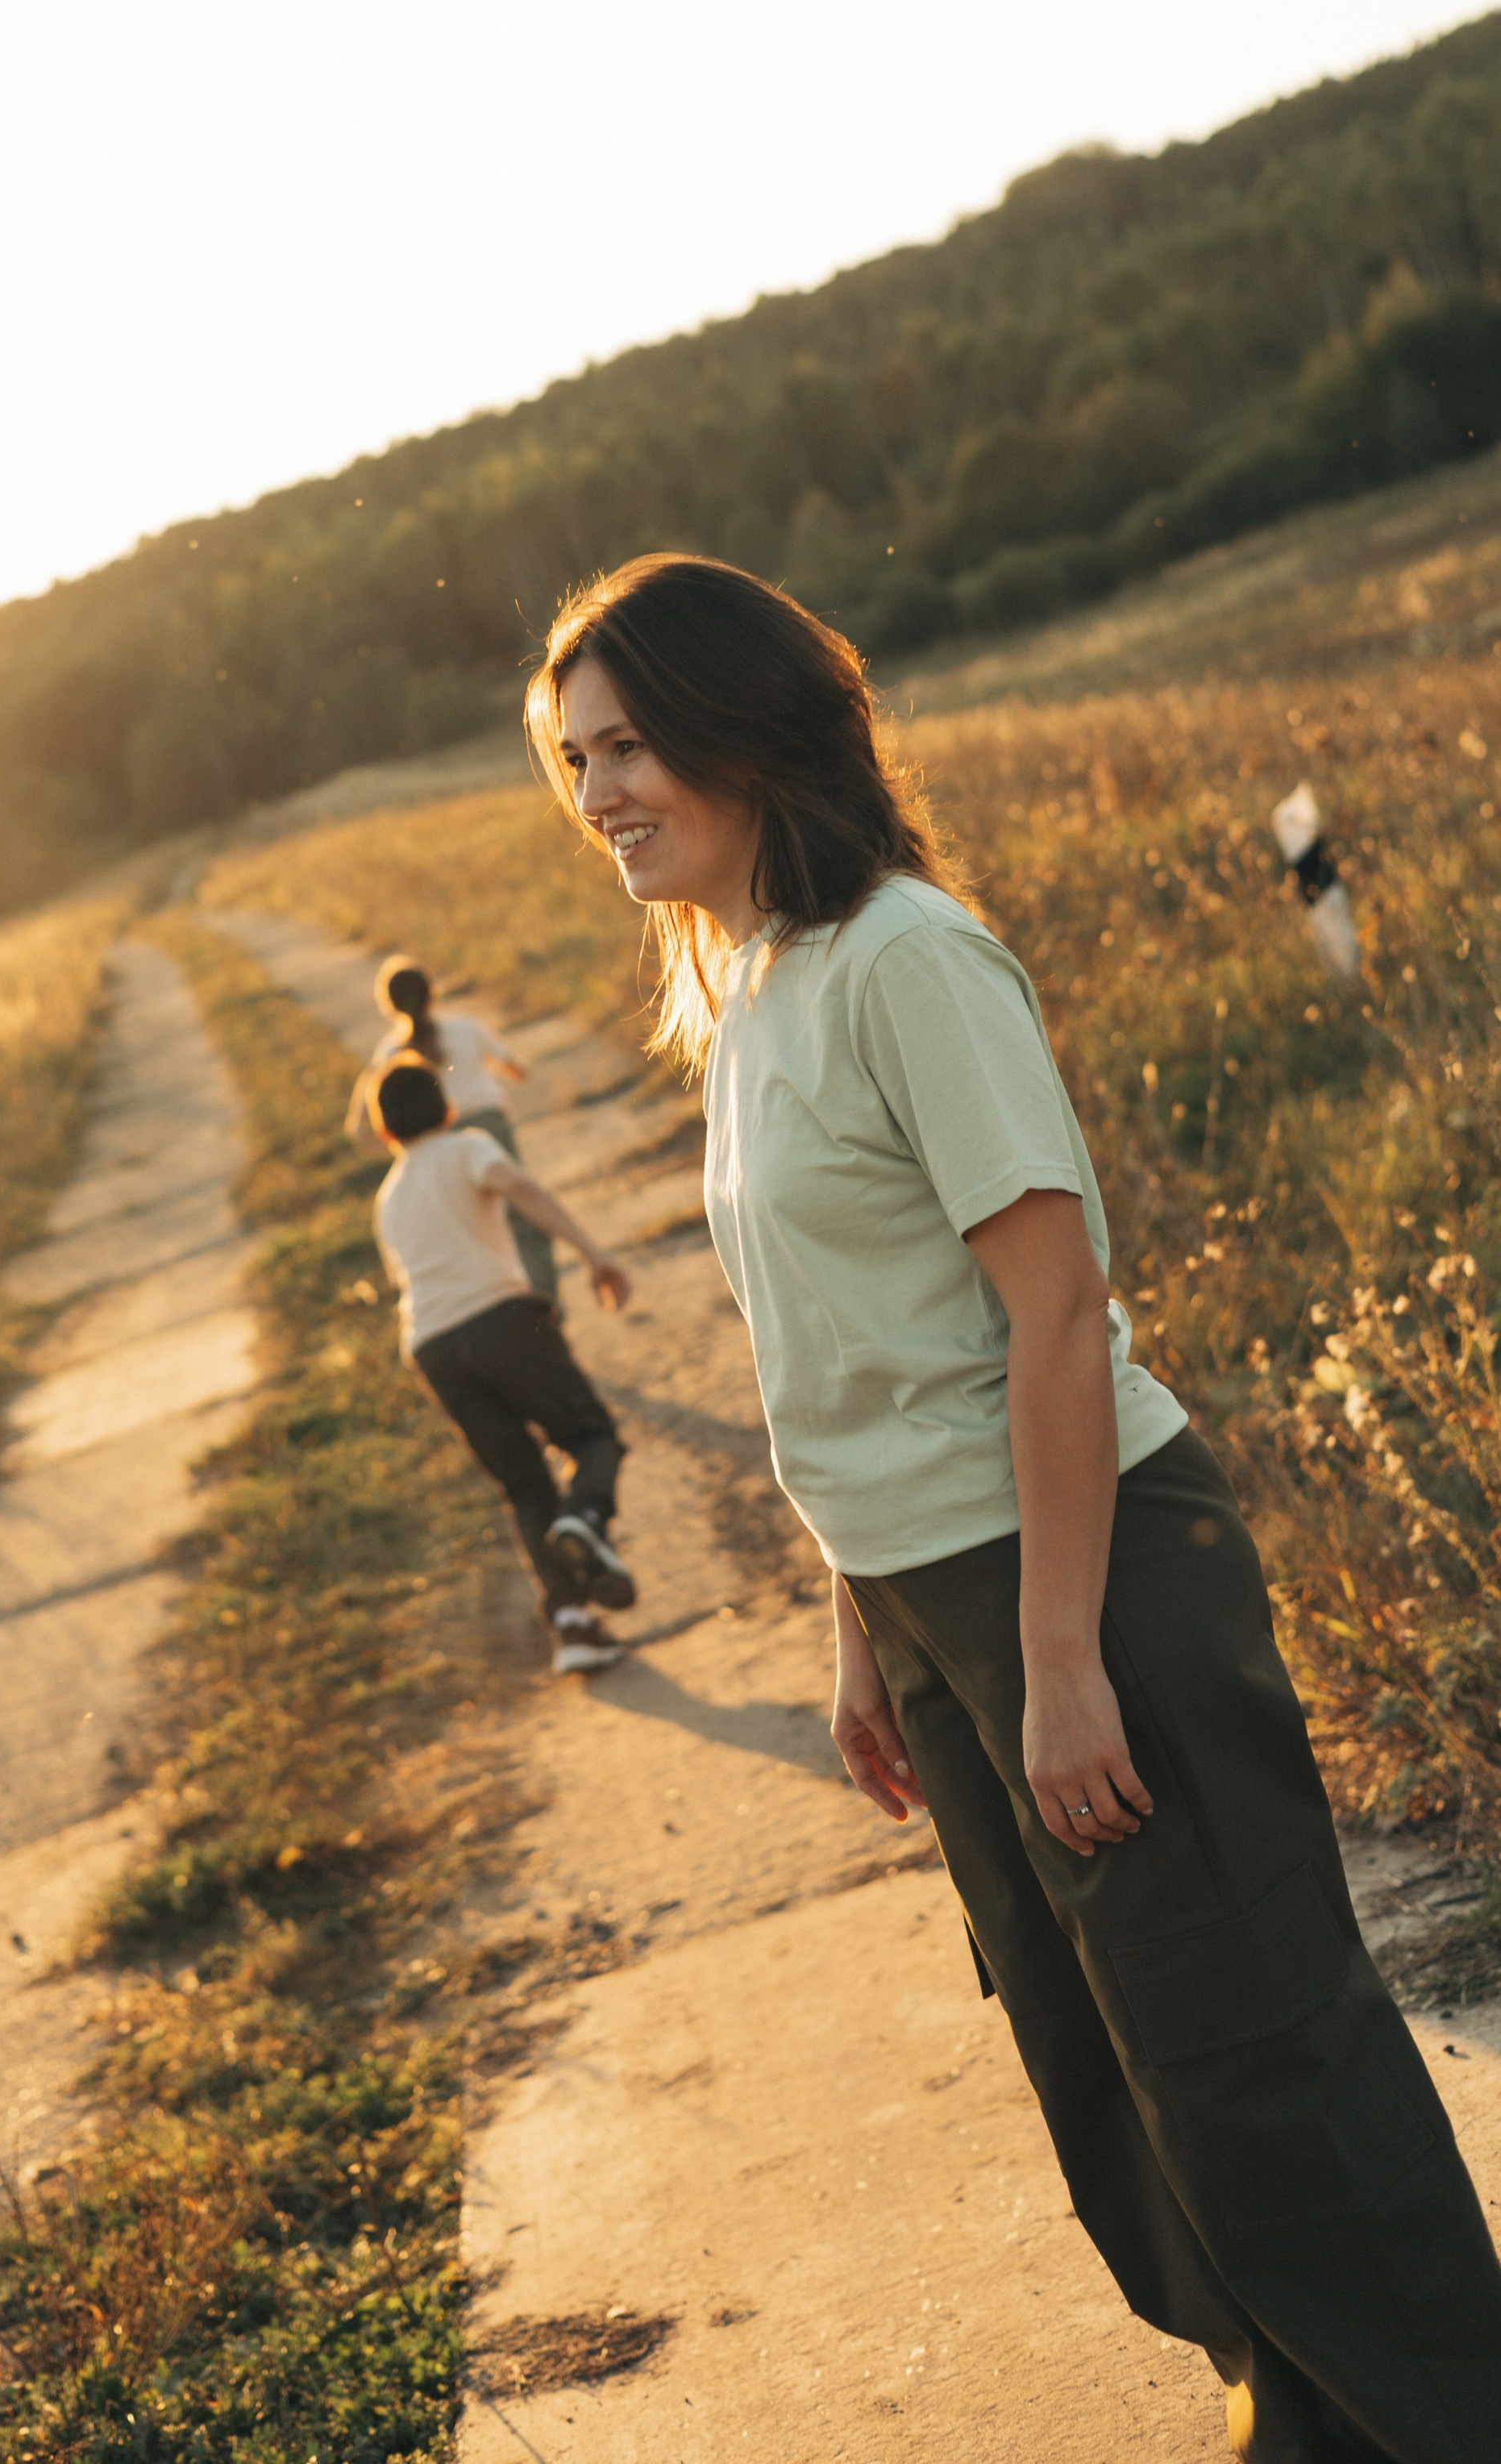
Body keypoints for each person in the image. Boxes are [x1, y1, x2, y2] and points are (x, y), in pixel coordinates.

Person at [529, 548, 1501, 2464]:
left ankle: (1434, 2416)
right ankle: (1296, 2407)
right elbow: (831, 1345)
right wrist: (857, 1629)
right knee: (1103, 2069)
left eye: (627, 743)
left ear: (739, 724)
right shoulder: (745, 989)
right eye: (572, 760)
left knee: (1250, 2049)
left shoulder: (905, 956)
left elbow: (1050, 1310)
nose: (597, 795)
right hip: (931, 1598)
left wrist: (1059, 1656)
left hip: (1085, 1565)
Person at [369, 1054, 637, 1675]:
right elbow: (523, 1190)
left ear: (386, 1135)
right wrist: (593, 1254)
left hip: (433, 1348)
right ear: (448, 1106)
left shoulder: (387, 1199)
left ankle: (572, 1625)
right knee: (592, 1436)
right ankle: (586, 1517)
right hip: (502, 1320)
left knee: (523, 1484)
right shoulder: (467, 1146)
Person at [347, 957, 560, 1303]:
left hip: (437, 1139)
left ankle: (502, 1298)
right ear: (432, 993)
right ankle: (546, 1300)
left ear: (390, 1006)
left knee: (474, 1227)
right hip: (490, 1126)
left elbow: (363, 1120)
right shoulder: (465, 1026)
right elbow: (516, 1069)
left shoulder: (390, 1051)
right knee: (523, 1213)